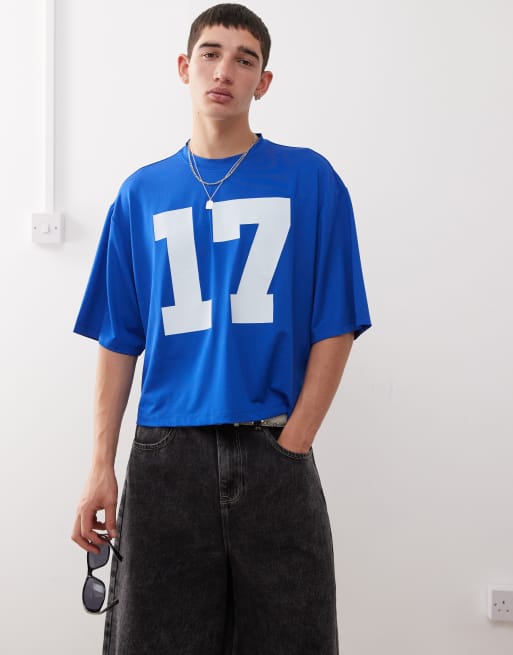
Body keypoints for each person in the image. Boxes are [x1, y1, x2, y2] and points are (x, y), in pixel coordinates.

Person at [71, 3, 371, 654]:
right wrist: (100, 465)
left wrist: (294, 441)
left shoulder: (309, 181)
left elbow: (336, 321)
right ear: (185, 67)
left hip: (273, 450)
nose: (224, 70)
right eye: (210, 53)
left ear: (264, 81)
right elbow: (119, 338)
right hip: (165, 457)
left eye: (244, 59)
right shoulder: (140, 194)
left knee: (294, 638)